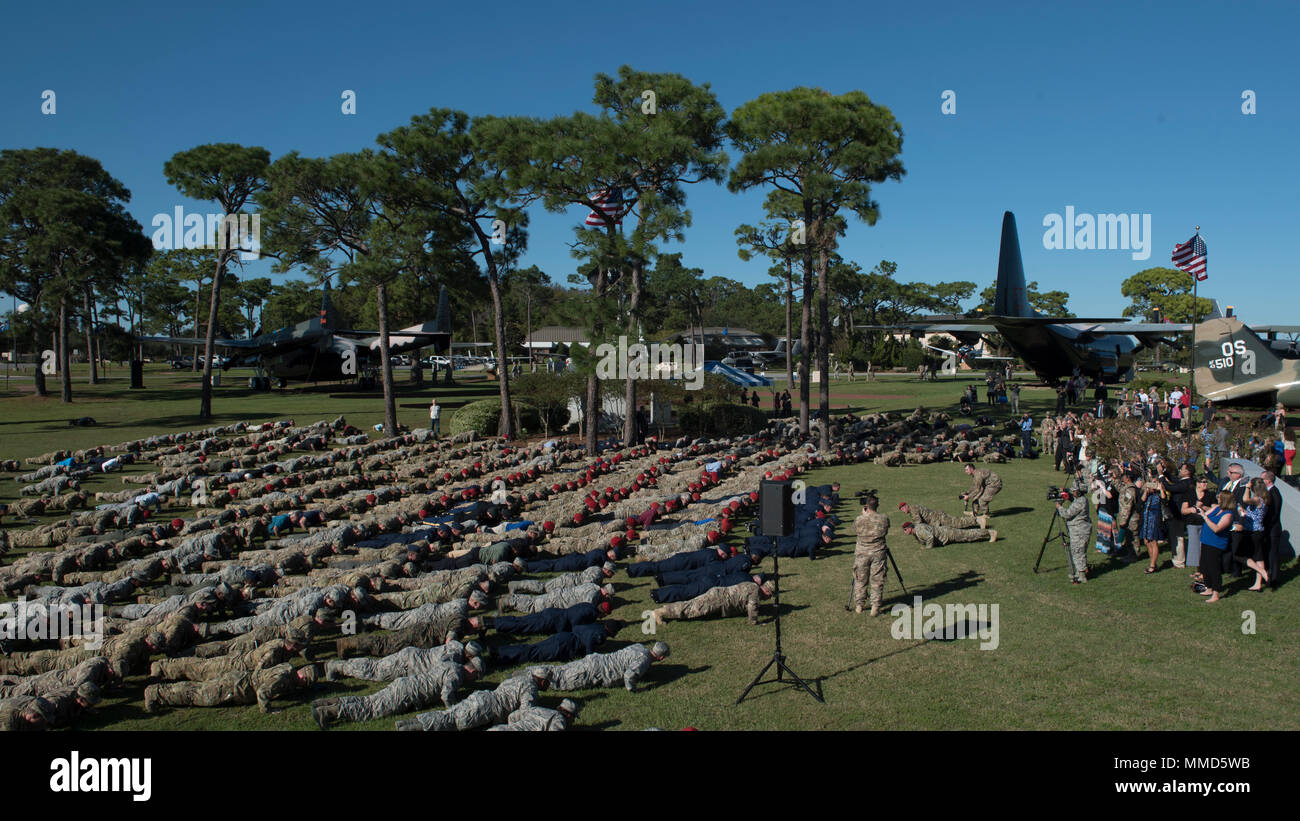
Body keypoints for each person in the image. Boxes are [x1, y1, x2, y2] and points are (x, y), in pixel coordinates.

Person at [851, 495, 890, 616]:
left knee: (860, 579)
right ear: (877, 505)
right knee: (877, 580)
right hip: (878, 553)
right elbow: (885, 531)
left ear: (866, 506)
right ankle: (875, 607)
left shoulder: (859, 519)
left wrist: (864, 516)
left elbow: (854, 529)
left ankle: (859, 605)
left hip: (862, 553)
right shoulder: (884, 519)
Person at [1196, 492, 1236, 603]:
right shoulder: (1218, 508)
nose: (1217, 499)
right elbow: (1207, 513)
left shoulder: (1228, 515)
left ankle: (1216, 593)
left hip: (1216, 544)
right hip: (1206, 541)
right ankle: (1208, 588)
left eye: (1220, 498)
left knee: (1214, 568)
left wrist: (1205, 517)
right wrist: (1201, 511)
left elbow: (1217, 529)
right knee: (1204, 566)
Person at [1239, 478, 1272, 591]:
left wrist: (1247, 487)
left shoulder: (1258, 499)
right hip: (1258, 530)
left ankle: (1262, 572)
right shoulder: (1264, 499)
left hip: (1253, 531)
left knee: (1241, 555)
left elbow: (1245, 499)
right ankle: (1258, 583)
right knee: (1259, 557)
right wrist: (1245, 512)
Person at [1058, 483, 1092, 584]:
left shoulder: (1080, 502)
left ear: (1078, 492)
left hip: (1079, 531)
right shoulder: (1081, 500)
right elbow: (1074, 501)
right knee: (1078, 551)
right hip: (1080, 530)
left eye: (1074, 491)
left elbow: (1067, 514)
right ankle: (1079, 571)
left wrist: (1059, 507)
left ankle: (1082, 575)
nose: (1072, 492)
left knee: (1078, 551)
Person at [1139, 470, 1166, 573]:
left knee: (1153, 541)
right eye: (1152, 482)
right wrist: (1146, 490)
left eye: (1155, 482)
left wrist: (1160, 489)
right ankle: (1152, 561)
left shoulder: (1160, 494)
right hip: (1146, 518)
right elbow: (1141, 502)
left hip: (1154, 519)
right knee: (1146, 541)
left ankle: (1153, 565)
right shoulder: (1149, 494)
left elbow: (1165, 501)